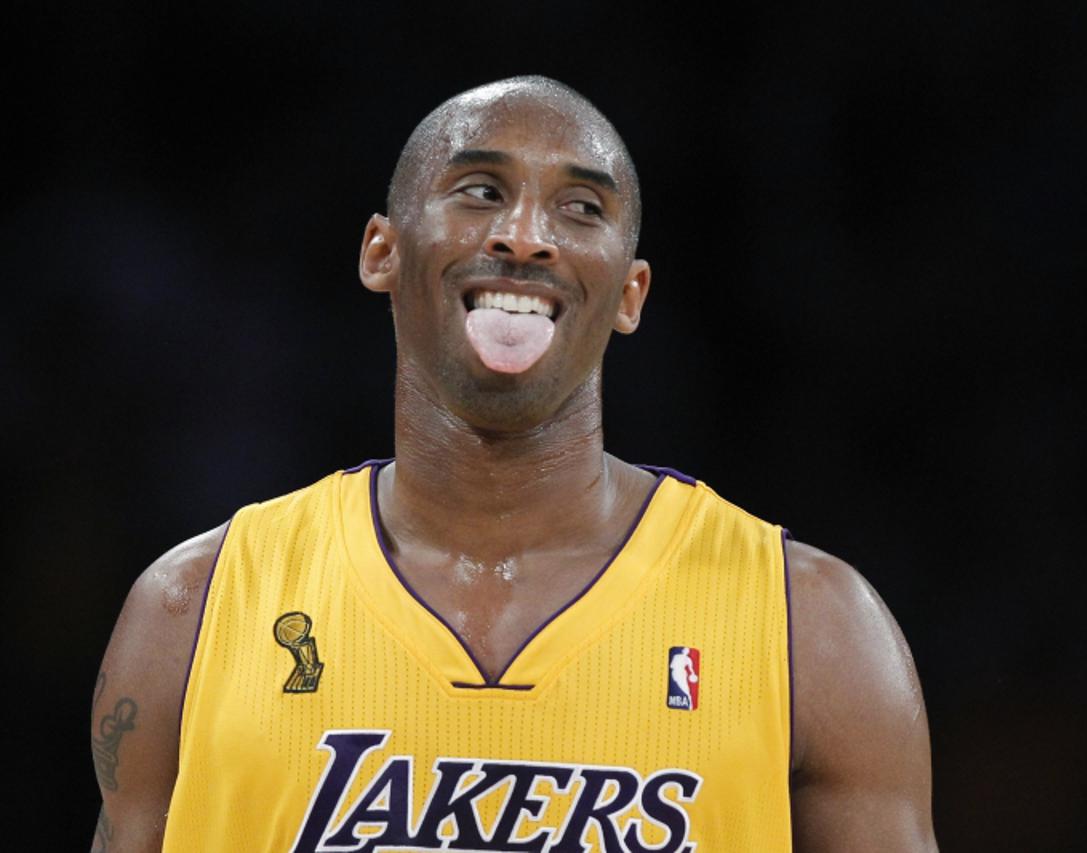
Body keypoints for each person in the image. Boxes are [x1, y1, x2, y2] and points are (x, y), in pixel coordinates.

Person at [91, 74, 937, 852]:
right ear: (382, 251)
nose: (525, 237)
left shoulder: (811, 627)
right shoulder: (192, 609)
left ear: (631, 293)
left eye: (579, 208)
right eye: (481, 191)